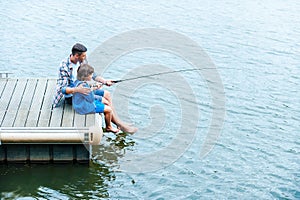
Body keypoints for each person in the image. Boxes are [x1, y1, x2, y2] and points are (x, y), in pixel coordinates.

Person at [53, 43, 137, 134]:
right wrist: (78, 90)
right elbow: (63, 89)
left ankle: (117, 122)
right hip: (73, 95)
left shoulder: (82, 61)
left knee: (107, 94)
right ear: (77, 55)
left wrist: (104, 81)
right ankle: (117, 124)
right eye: (84, 56)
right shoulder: (64, 66)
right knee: (104, 101)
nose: (85, 58)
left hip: (85, 88)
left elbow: (92, 74)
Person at [73, 64, 119, 133]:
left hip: (79, 104)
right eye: (91, 75)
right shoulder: (84, 87)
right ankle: (109, 127)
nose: (92, 76)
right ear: (86, 76)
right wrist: (95, 89)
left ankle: (113, 122)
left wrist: (94, 87)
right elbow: (91, 99)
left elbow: (87, 89)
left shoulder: (79, 82)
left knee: (105, 104)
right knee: (109, 110)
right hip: (84, 107)